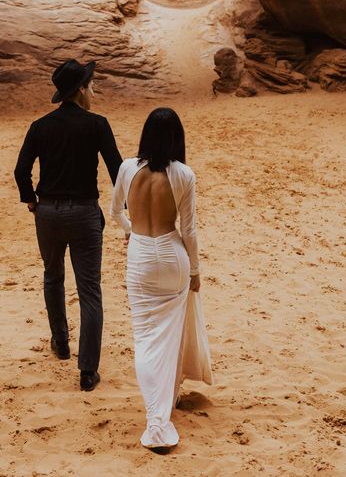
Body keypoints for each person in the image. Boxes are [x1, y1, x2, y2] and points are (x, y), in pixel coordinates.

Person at [14, 58, 122, 392]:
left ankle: (60, 343)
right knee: (89, 290)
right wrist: (124, 209)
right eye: (91, 85)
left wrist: (31, 200)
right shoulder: (97, 124)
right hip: (85, 213)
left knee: (52, 276)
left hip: (47, 213)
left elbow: (21, 170)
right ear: (80, 89)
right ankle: (87, 372)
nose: (94, 90)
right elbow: (118, 171)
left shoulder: (40, 126)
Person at [110, 107, 212, 450]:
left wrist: (130, 231)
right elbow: (190, 231)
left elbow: (114, 213)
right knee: (172, 332)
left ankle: (157, 417)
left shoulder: (126, 168)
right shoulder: (184, 174)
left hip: (140, 255)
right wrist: (196, 270)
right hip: (172, 256)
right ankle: (165, 406)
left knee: (145, 338)